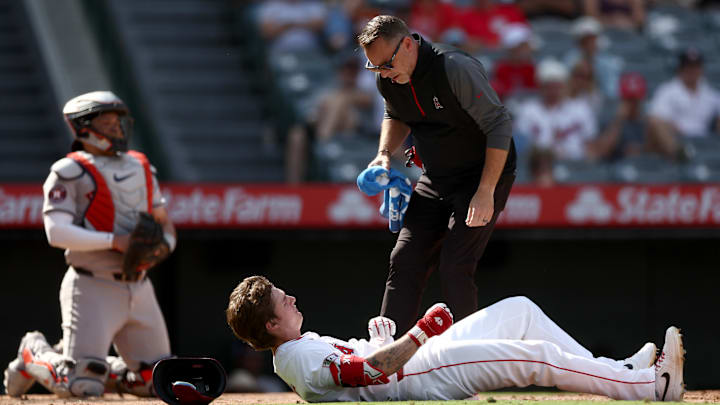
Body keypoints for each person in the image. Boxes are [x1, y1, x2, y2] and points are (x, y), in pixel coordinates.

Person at [226, 275, 686, 402]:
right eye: (281, 301)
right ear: (269, 325)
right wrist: (418, 332)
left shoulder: (300, 345)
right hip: (421, 376)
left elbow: (363, 360)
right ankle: (650, 387)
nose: (291, 299)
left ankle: (623, 371)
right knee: (536, 357)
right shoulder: (295, 357)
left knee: (519, 310)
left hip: (417, 362)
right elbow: (367, 373)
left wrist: (380, 338)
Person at [2, 91, 176, 398]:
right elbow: (56, 232)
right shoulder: (69, 171)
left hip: (139, 285)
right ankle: (34, 352)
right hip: (93, 286)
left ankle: (95, 365)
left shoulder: (141, 167)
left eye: (118, 122)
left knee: (158, 382)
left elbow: (164, 221)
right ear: (83, 128)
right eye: (107, 123)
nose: (116, 129)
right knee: (80, 386)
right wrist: (114, 242)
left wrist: (165, 245)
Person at [357, 15, 517, 335]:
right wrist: (384, 154)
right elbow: (395, 114)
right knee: (404, 258)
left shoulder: (454, 67)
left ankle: (466, 361)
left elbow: (499, 124)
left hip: (481, 175)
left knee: (455, 267)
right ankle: (387, 358)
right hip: (436, 177)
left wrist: (486, 190)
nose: (383, 74)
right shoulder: (388, 77)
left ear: (407, 44)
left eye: (386, 64)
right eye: (375, 68)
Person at [514, 58, 598, 163]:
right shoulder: (528, 110)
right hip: (539, 165)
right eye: (549, 86)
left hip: (575, 163)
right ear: (540, 86)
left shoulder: (581, 109)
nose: (553, 91)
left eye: (557, 86)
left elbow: (590, 146)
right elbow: (522, 146)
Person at [647, 47, 720, 161]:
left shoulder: (710, 93)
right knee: (656, 122)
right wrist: (670, 126)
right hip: (677, 139)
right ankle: (681, 156)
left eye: (695, 66)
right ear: (680, 69)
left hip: (704, 140)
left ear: (701, 69)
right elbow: (655, 119)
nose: (692, 70)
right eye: (688, 66)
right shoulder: (668, 90)